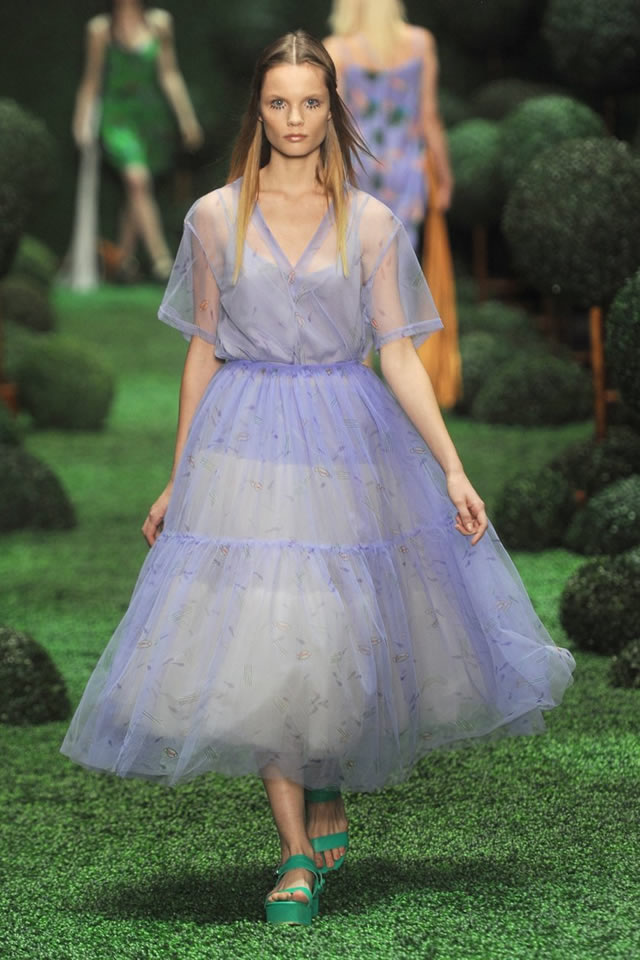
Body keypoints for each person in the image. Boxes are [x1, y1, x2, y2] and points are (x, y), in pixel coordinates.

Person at [60, 30, 576, 927]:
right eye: (277, 103)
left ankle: (326, 772)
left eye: (308, 102)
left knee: (332, 625)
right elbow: (201, 352)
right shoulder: (214, 216)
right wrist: (179, 480)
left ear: (330, 109)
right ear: (257, 112)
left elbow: (400, 356)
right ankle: (294, 851)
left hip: (346, 439)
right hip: (246, 438)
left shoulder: (370, 221)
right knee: (265, 632)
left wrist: (453, 469)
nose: (294, 119)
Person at [324, 0, 462, 407]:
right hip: (406, 174)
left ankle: (361, 385)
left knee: (356, 278)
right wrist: (446, 176)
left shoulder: (337, 49)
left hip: (358, 173)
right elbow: (429, 117)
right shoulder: (420, 43)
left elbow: (334, 124)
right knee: (395, 281)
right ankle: (404, 383)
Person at [70, 0, 204, 284]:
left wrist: (186, 119)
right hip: (118, 119)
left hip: (151, 120)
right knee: (137, 180)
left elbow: (169, 74)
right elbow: (91, 80)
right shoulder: (100, 30)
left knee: (137, 191)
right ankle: (162, 260)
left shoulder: (159, 23)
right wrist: (81, 121)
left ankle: (123, 261)